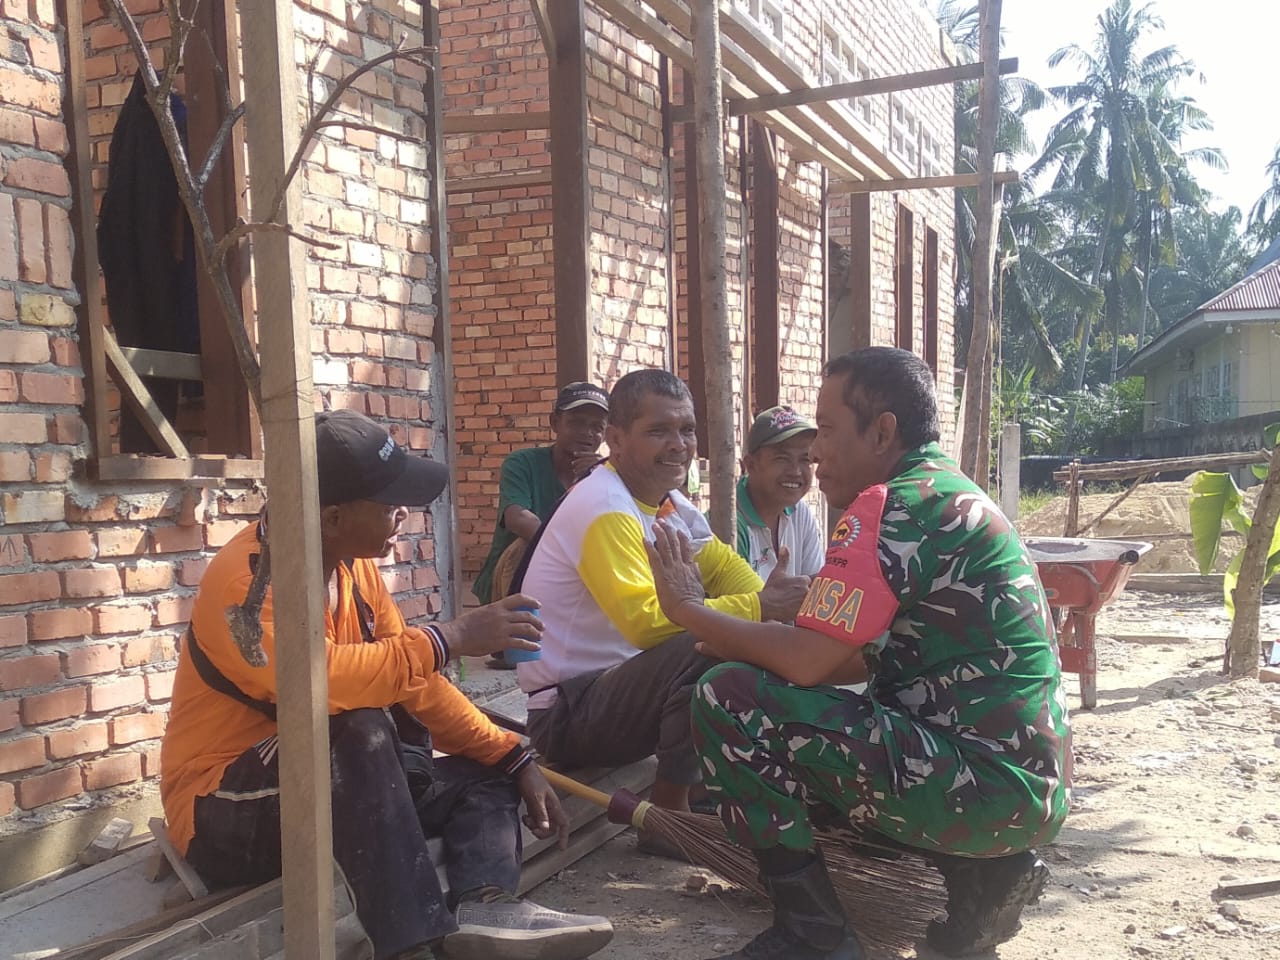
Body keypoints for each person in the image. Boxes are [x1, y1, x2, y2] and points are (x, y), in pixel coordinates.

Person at [645, 347, 1070, 960]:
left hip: (977, 787)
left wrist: (687, 609)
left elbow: (808, 660)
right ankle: (979, 878)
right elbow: (848, 659)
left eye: (826, 429)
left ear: (882, 432)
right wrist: (743, 638)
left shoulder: (889, 506)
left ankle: (813, 935)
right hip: (1024, 794)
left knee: (726, 698)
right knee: (791, 703)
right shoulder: (947, 493)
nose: (816, 452)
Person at [161, 410, 613, 960]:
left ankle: (486, 906)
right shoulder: (246, 585)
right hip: (220, 808)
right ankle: (410, 943)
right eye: (388, 504)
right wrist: (450, 638)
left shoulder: (352, 567)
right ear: (332, 517)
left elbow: (414, 682)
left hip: (342, 787)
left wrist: (512, 755)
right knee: (359, 724)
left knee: (488, 769)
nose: (403, 514)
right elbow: (315, 684)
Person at [517, 369, 811, 838]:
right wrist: (758, 608)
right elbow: (648, 624)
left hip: (621, 694)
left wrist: (763, 607)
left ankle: (711, 785)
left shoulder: (668, 501)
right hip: (567, 713)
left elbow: (720, 563)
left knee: (740, 638)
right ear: (615, 439)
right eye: (658, 431)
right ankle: (669, 814)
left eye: (687, 429)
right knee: (707, 642)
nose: (679, 445)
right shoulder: (604, 508)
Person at [472, 382, 610, 607]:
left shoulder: (605, 475)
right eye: (576, 422)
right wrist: (570, 554)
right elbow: (518, 518)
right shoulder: (522, 463)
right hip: (513, 579)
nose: (587, 432)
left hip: (573, 581)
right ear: (555, 423)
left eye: (597, 426)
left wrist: (601, 479)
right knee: (523, 546)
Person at [734, 405, 825, 580]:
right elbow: (737, 597)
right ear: (751, 465)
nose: (796, 471)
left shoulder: (799, 512)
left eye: (805, 459)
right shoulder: (730, 523)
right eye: (782, 458)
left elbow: (817, 589)